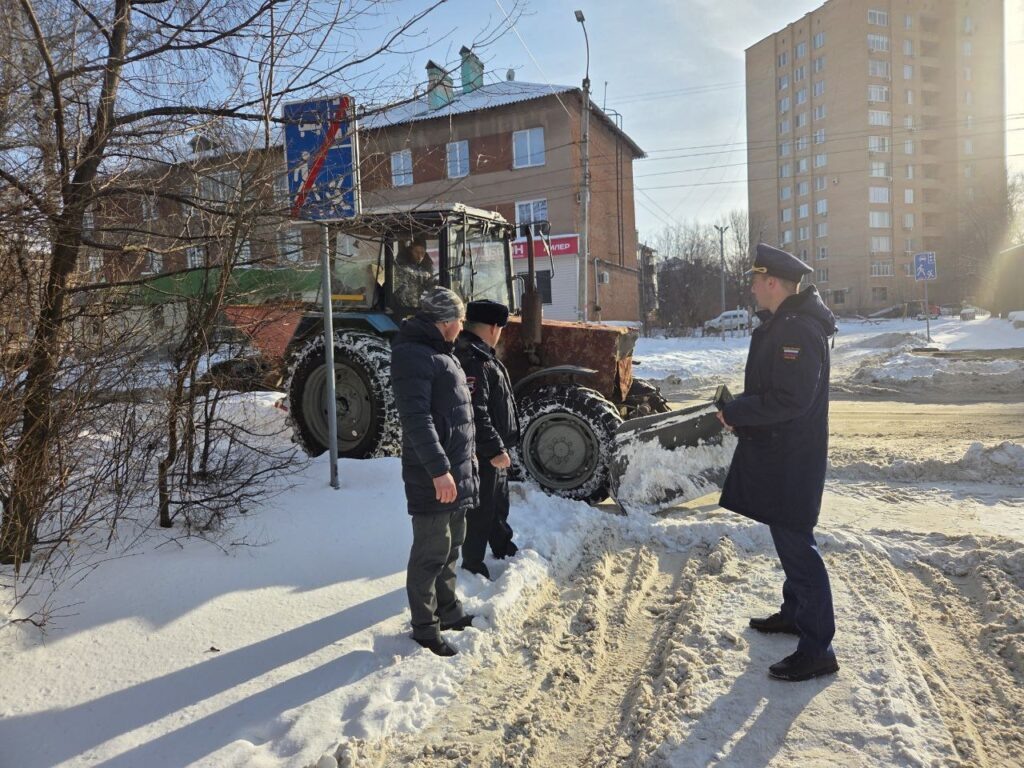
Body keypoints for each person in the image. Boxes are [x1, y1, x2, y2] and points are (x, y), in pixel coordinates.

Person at [715, 243, 840, 682]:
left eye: (754, 280)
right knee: (788, 535)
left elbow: (790, 399)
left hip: (792, 457)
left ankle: (818, 648)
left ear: (772, 283)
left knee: (797, 545)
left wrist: (739, 412)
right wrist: (741, 409)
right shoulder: (785, 324)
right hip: (783, 452)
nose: (751, 288)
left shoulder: (796, 331)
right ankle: (795, 614)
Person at [390, 286, 479, 657]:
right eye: (460, 320)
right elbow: (417, 420)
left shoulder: (442, 354)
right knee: (430, 552)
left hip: (454, 473)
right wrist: (440, 470)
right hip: (434, 475)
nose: (462, 327)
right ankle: (425, 628)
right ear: (446, 322)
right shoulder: (414, 356)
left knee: (451, 546)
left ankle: (448, 609)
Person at [454, 300, 521, 580]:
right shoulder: (473, 359)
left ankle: (503, 546)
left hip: (493, 448)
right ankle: (473, 565)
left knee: (497, 502)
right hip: (482, 451)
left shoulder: (483, 355)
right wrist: (493, 448)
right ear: (494, 327)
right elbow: (474, 410)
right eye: (501, 328)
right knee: (481, 508)